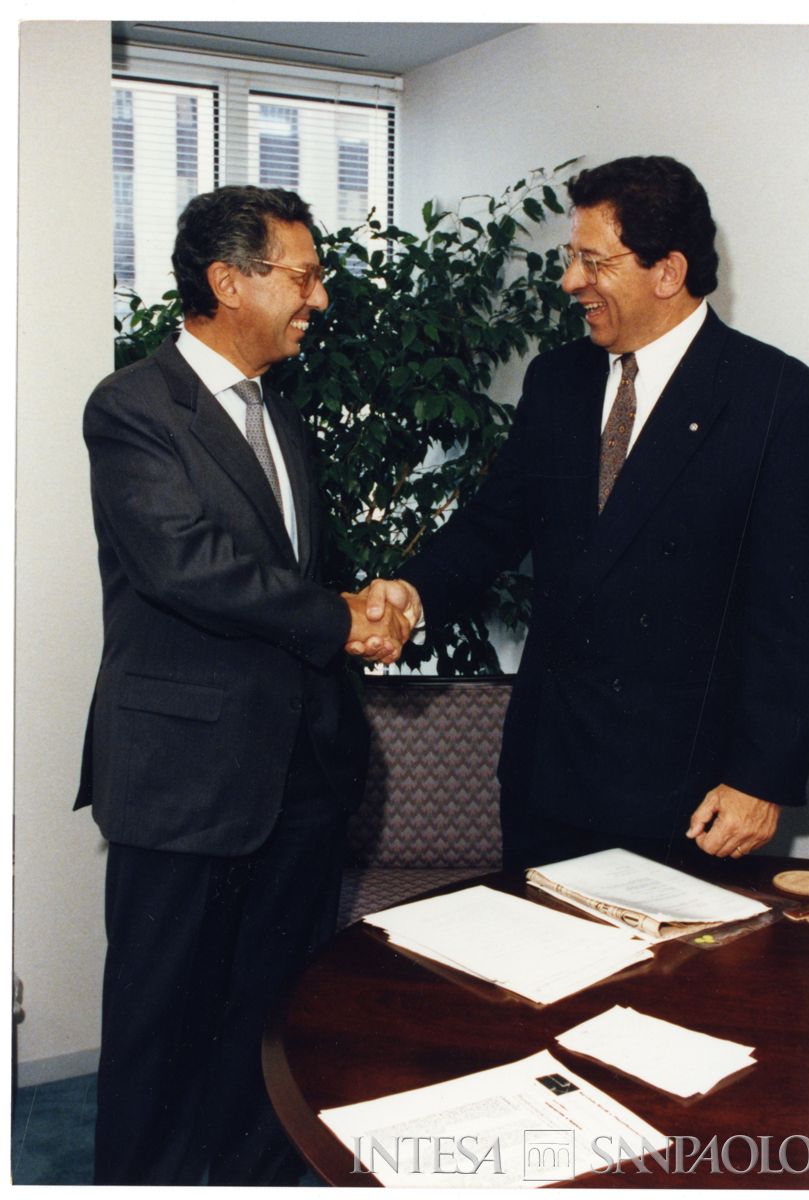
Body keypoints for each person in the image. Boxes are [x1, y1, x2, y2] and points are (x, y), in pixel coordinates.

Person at [353, 156, 809, 873]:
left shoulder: (775, 399)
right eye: (568, 258)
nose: (568, 281)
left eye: (590, 261)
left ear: (666, 272)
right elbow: (492, 524)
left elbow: (792, 613)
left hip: (687, 791)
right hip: (547, 772)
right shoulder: (557, 380)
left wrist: (758, 779)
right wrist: (411, 595)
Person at [75, 185, 409, 1185]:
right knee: (159, 1028)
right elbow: (188, 564)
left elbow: (300, 576)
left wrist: (368, 606)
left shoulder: (284, 417)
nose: (318, 298)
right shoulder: (133, 406)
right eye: (301, 277)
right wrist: (340, 614)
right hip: (183, 786)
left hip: (298, 780)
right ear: (228, 281)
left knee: (270, 1022)